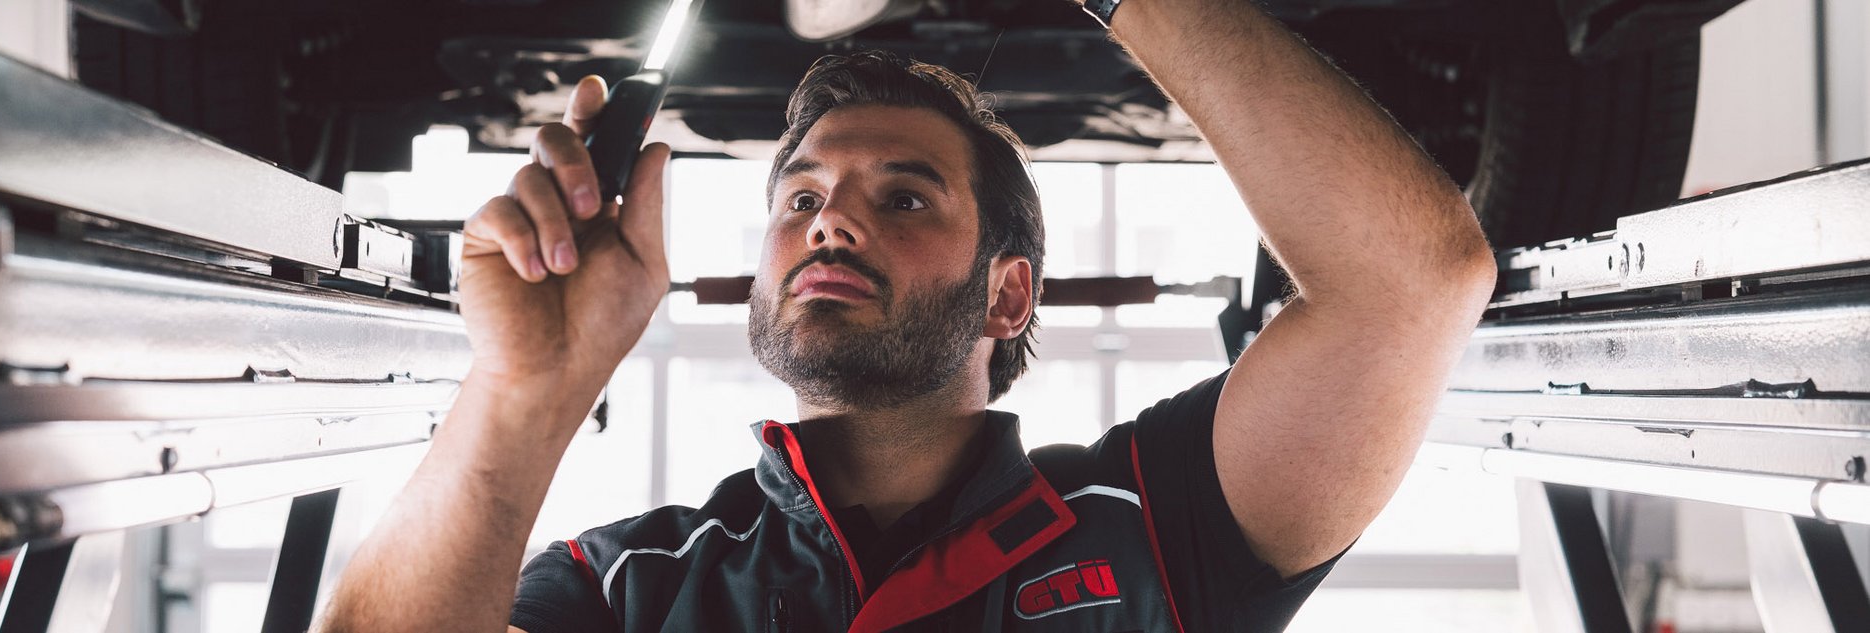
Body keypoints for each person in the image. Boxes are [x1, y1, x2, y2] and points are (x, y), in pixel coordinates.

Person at [318, 0, 1496, 630]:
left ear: (1008, 291)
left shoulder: (1158, 525)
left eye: (904, 197)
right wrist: (524, 393)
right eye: (801, 198)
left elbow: (1412, 286)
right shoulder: (628, 586)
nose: (831, 220)